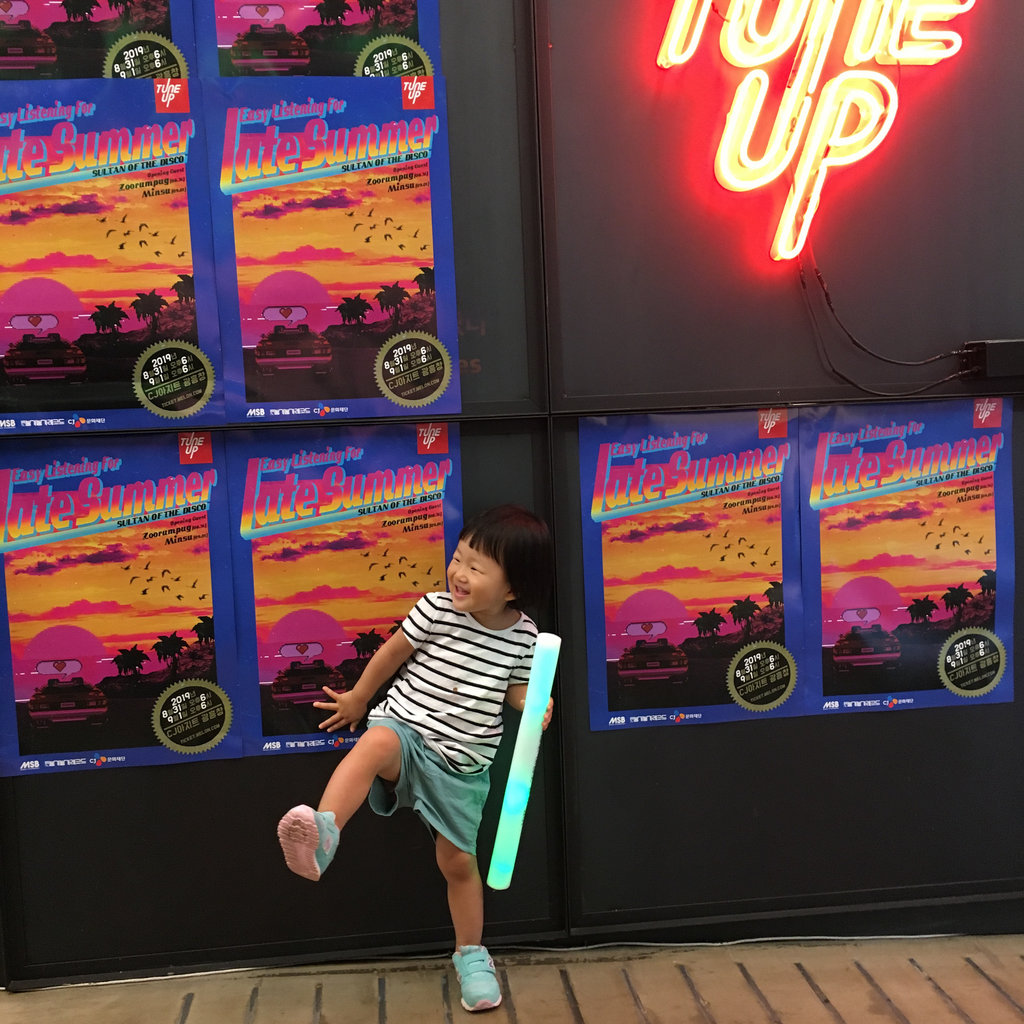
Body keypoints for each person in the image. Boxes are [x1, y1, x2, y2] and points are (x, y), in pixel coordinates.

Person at [277, 503, 555, 1013]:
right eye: (458, 558)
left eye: (476, 567)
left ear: (512, 588)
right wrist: (359, 700)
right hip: (407, 732)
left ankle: (471, 955)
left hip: (462, 766)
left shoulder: (525, 637)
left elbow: (516, 691)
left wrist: (534, 704)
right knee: (376, 743)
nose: (459, 573)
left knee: (458, 864)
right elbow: (391, 654)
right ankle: (324, 831)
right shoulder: (434, 609)